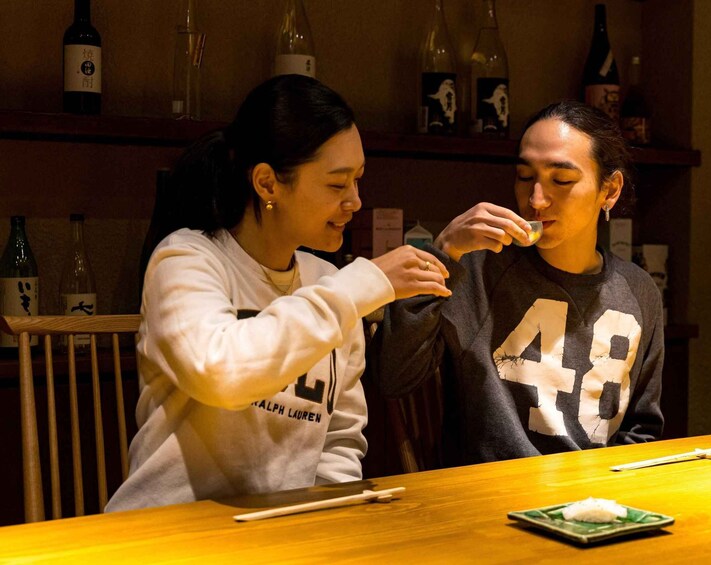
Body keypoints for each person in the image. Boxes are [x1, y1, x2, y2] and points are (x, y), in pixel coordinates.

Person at [106, 75, 450, 512]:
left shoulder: (327, 278)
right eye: (336, 184)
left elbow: (340, 439)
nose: (355, 201)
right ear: (267, 183)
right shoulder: (185, 259)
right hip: (169, 527)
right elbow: (222, 374)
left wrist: (324, 519)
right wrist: (359, 286)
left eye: (358, 180)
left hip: (282, 526)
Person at [370, 100, 664, 466]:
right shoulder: (478, 271)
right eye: (525, 177)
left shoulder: (637, 289)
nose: (536, 200)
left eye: (561, 180)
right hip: (493, 489)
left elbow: (642, 430)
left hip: (597, 492)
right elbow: (394, 378)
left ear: (610, 190)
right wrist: (443, 251)